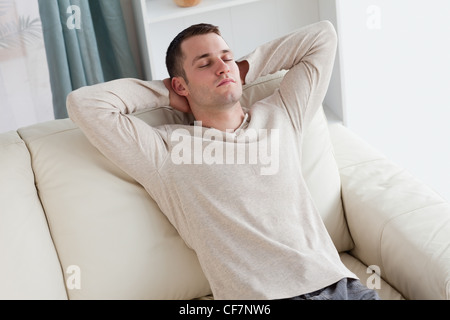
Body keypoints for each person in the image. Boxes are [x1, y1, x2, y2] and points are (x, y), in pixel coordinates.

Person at [67, 20, 380, 300]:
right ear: (180, 84)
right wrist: (166, 93)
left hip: (342, 288)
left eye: (226, 57)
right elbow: (85, 104)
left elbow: (322, 36)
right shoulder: (166, 149)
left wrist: (242, 68)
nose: (222, 67)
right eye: (204, 64)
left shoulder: (283, 114)